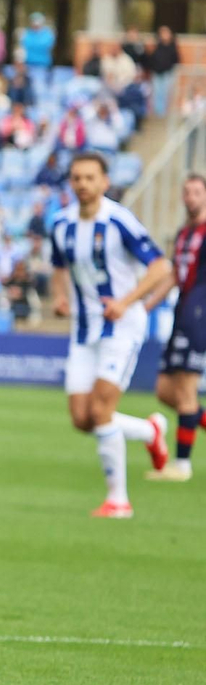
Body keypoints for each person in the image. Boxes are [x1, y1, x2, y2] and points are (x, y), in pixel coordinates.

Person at [48, 153, 172, 517]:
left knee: (102, 410)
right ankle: (151, 432)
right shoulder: (60, 224)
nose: (82, 184)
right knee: (81, 418)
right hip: (84, 329)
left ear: (104, 182)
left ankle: (118, 500)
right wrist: (59, 297)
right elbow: (58, 266)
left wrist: (126, 301)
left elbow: (161, 266)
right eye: (76, 178)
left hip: (122, 325)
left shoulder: (118, 220)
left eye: (90, 178)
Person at [146, 173, 206, 482]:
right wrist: (145, 305)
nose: (190, 197)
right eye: (186, 191)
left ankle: (181, 465)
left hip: (199, 319)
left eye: (196, 192)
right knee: (165, 391)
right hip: (181, 315)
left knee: (185, 392)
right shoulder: (184, 234)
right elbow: (174, 275)